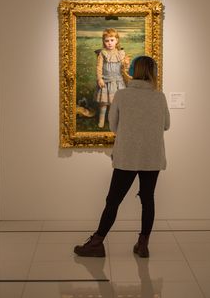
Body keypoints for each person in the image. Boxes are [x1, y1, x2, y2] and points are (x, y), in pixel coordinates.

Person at [74, 55, 170, 258]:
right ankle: (143, 245)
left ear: (134, 71)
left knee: (113, 200)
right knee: (148, 199)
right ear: (152, 73)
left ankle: (97, 242)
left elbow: (113, 125)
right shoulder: (159, 97)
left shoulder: (122, 95)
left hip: (127, 155)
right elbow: (166, 125)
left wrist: (130, 130)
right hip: (151, 156)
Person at [96, 28, 129, 128]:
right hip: (106, 81)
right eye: (107, 41)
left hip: (118, 81)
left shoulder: (121, 53)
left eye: (112, 40)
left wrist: (126, 64)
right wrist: (99, 79)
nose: (109, 43)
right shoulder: (102, 53)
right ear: (104, 41)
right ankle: (101, 120)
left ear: (116, 40)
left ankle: (114, 121)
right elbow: (99, 67)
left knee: (116, 103)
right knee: (104, 103)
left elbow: (124, 69)